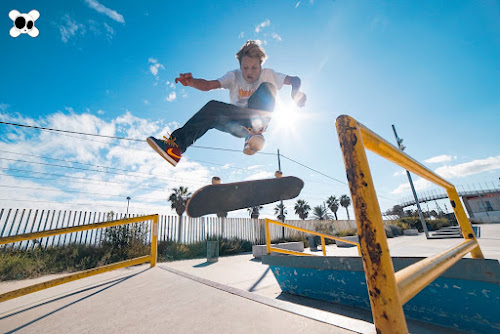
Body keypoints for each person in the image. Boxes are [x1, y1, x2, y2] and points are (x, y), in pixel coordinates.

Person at [147, 40, 307, 166]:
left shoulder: (268, 74)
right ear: (240, 66)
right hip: (236, 122)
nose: (250, 73)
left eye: (254, 68)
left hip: (260, 116)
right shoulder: (233, 76)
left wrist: (295, 93)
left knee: (268, 87)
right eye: (245, 68)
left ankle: (254, 134)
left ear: (260, 65)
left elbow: (295, 79)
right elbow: (209, 85)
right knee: (212, 107)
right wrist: (191, 82)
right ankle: (175, 148)